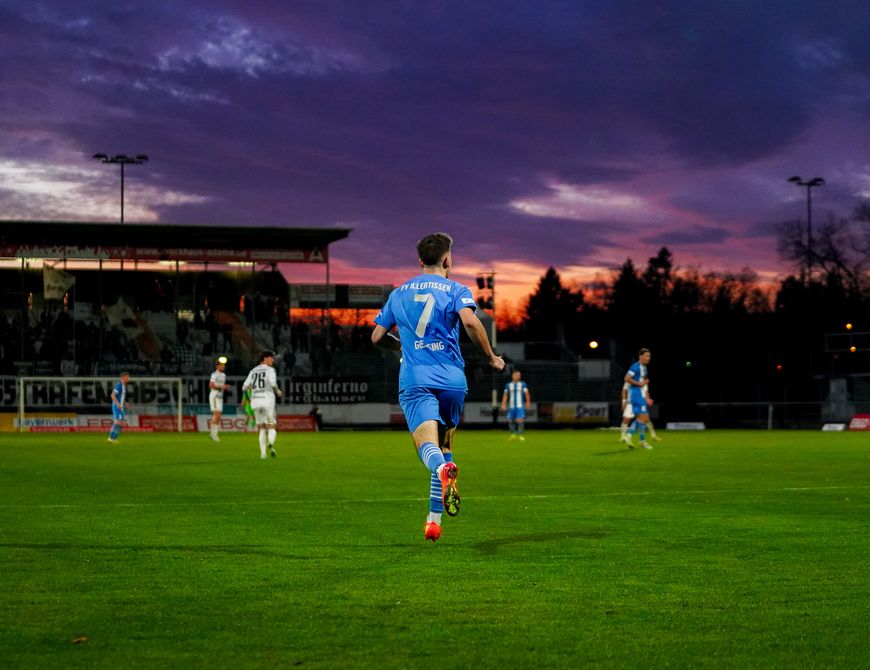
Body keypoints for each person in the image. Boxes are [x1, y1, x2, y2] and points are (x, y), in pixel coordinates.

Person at [371, 232, 505, 543]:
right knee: (444, 445)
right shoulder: (457, 290)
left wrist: (402, 346)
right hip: (452, 380)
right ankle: (434, 521)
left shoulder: (398, 294)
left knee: (427, 449)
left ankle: (444, 472)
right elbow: (470, 322)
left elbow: (376, 336)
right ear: (447, 260)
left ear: (420, 262)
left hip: (417, 379)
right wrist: (491, 356)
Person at [241, 350, 283, 459]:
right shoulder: (270, 370)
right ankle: (271, 444)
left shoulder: (253, 371)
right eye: (271, 358)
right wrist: (278, 391)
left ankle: (263, 454)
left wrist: (254, 389)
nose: (273, 360)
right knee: (271, 426)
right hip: (267, 400)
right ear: (265, 358)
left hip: (255, 401)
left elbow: (244, 387)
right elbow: (273, 383)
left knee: (262, 428)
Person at [622, 348, 653, 450]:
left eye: (649, 356)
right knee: (643, 418)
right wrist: (640, 384)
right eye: (646, 356)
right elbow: (627, 378)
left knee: (643, 418)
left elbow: (643, 382)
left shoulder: (644, 368)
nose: (648, 358)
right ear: (641, 356)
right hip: (636, 395)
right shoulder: (635, 366)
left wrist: (645, 385)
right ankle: (629, 436)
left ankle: (642, 441)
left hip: (640, 394)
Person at [619, 377, 661, 443]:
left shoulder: (644, 382)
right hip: (630, 403)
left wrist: (648, 399)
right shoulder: (630, 380)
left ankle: (653, 435)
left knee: (646, 419)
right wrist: (624, 401)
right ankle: (623, 437)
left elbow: (646, 392)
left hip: (641, 403)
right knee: (626, 419)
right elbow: (624, 391)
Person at [501, 369, 531, 441]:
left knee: (520, 420)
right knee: (511, 420)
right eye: (516, 375)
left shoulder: (523, 384)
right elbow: (505, 395)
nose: (518, 376)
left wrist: (528, 402)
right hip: (511, 406)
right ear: (513, 376)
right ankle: (513, 434)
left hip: (520, 406)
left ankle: (521, 435)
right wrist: (503, 404)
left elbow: (527, 393)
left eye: (519, 375)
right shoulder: (508, 385)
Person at [208, 356, 230, 442]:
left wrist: (224, 387)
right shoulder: (214, 374)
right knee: (216, 414)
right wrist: (222, 387)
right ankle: (213, 434)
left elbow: (221, 386)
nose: (223, 366)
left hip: (220, 397)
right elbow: (211, 385)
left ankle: (214, 434)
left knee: (218, 416)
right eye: (221, 365)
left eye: (224, 365)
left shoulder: (224, 375)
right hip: (214, 396)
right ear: (217, 366)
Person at [107, 371, 130, 444]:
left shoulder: (123, 386)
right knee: (118, 422)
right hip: (117, 406)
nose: (128, 379)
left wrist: (125, 402)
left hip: (121, 406)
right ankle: (111, 438)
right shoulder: (119, 385)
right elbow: (112, 395)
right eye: (127, 377)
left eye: (128, 377)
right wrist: (117, 404)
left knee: (122, 423)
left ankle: (114, 438)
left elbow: (120, 397)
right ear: (122, 378)